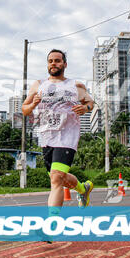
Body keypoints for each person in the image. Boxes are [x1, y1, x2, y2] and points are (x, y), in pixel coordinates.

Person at [22, 49, 95, 213]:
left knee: (56, 178)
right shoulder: (39, 85)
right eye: (50, 61)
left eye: (57, 60)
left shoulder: (75, 85)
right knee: (58, 178)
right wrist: (33, 104)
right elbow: (25, 109)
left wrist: (85, 107)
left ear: (65, 64)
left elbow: (90, 103)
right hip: (47, 137)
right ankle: (83, 190)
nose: (53, 64)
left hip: (68, 136)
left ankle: (51, 225)